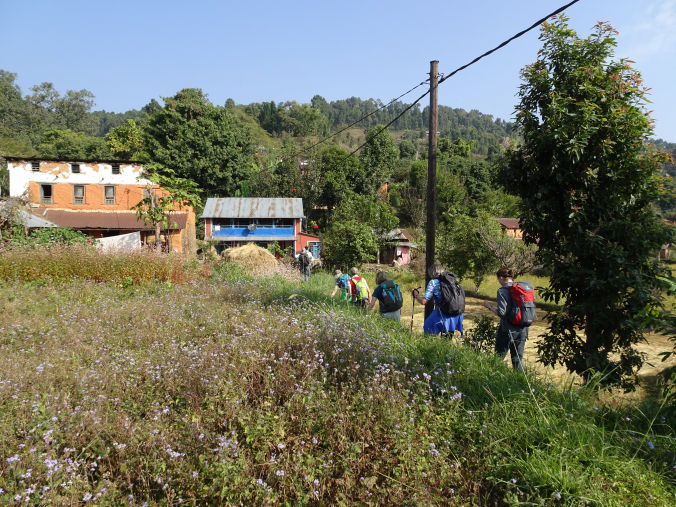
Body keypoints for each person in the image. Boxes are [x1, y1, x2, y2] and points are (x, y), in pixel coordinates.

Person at [483, 267, 527, 372]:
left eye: (498, 279)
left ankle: (492, 381)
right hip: (523, 329)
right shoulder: (522, 288)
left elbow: (502, 312)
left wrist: (489, 307)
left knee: (498, 358)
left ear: (502, 278)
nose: (499, 282)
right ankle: (520, 384)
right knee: (517, 360)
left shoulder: (502, 291)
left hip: (507, 330)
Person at [412, 264, 464, 337]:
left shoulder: (433, 282)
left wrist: (416, 294)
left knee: (428, 329)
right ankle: (444, 347)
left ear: (432, 272)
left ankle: (430, 347)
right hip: (456, 313)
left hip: (442, 313)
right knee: (447, 338)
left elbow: (424, 301)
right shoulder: (452, 280)